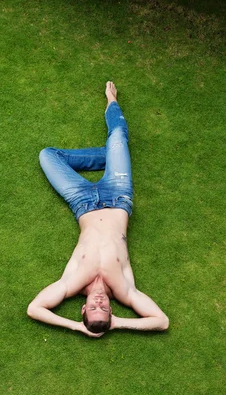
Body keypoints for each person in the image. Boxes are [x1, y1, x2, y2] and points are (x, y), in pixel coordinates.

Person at [27, 82, 169, 337]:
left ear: (83, 308)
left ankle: (112, 155)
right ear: (112, 311)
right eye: (104, 309)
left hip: (82, 202)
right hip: (119, 194)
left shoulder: (71, 284)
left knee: (48, 155)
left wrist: (75, 326)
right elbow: (161, 321)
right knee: (117, 137)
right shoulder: (125, 291)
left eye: (93, 308)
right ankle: (111, 103)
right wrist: (119, 324)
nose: (99, 303)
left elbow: (34, 308)